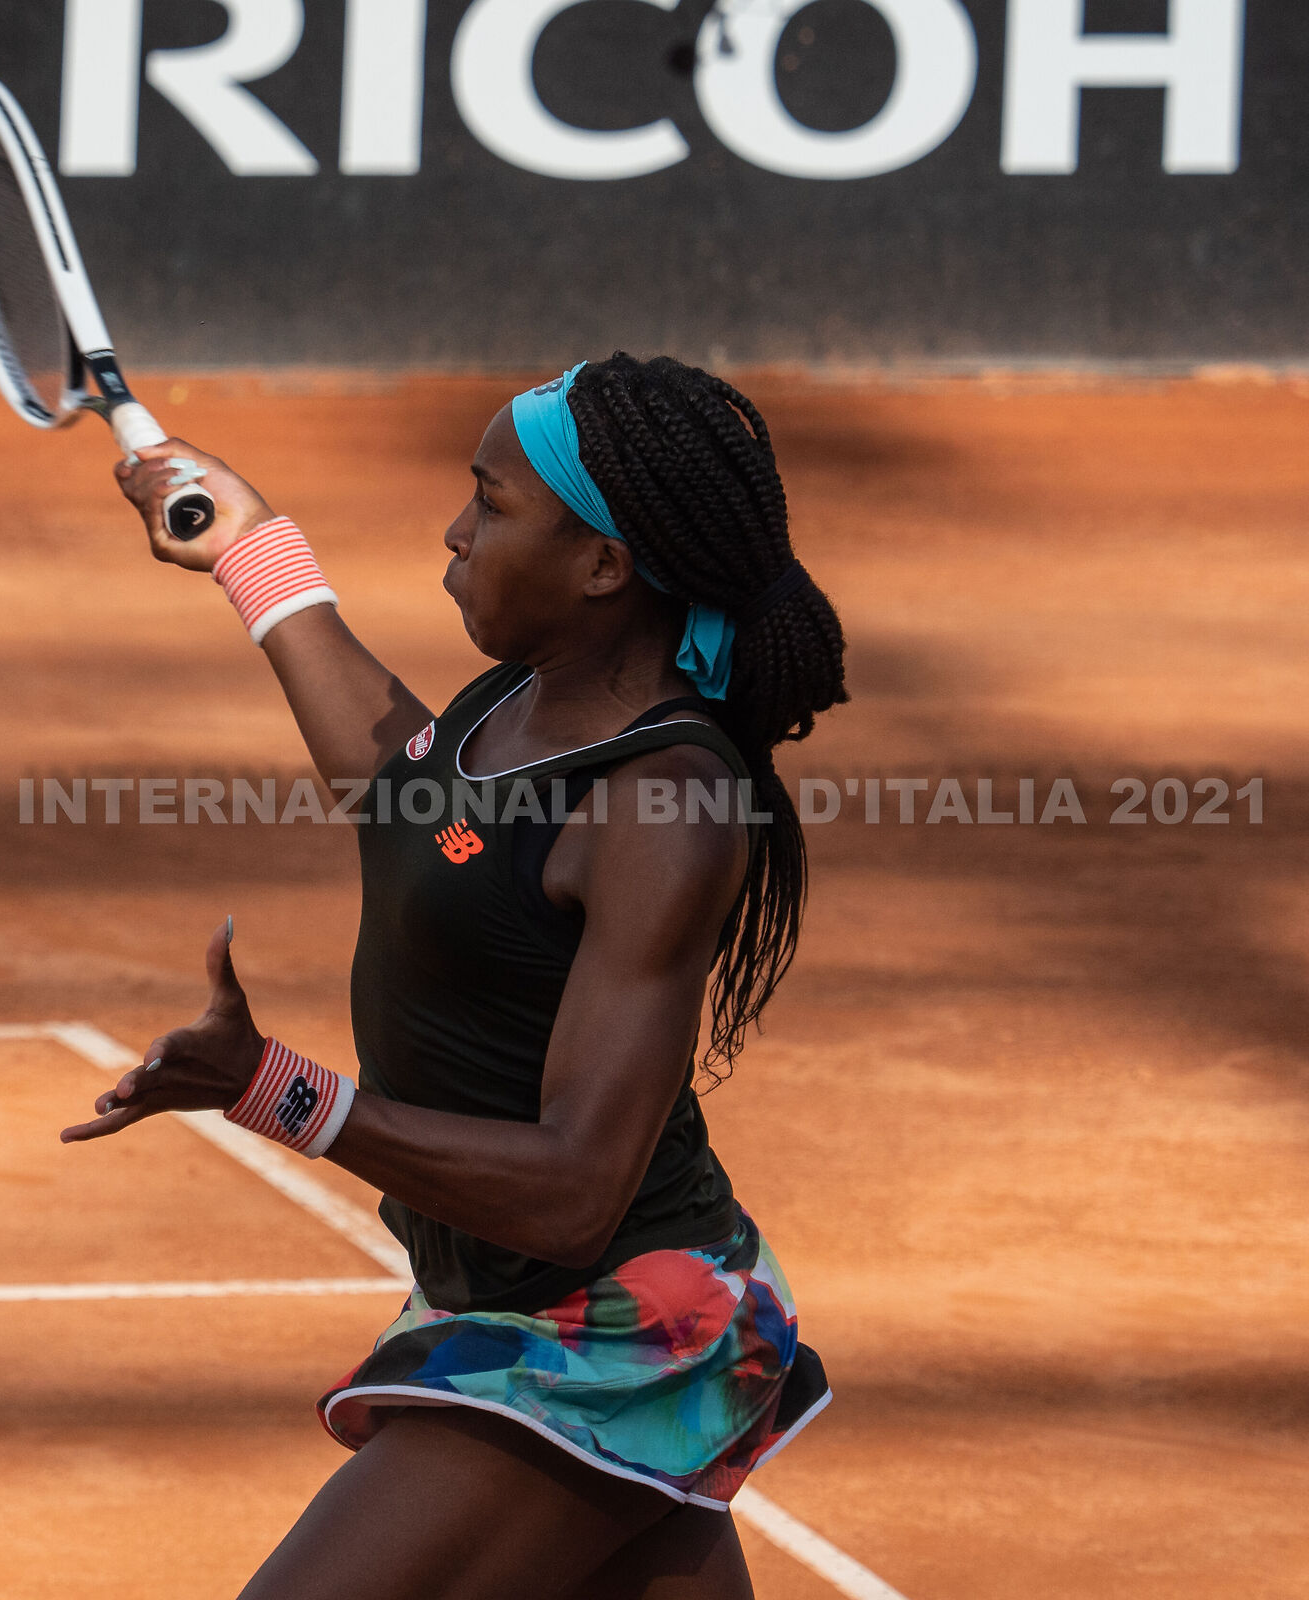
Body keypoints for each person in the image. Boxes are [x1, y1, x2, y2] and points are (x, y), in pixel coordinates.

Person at [61, 355, 846, 1599]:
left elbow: (574, 1192)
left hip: (615, 1327)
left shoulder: (664, 805)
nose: (456, 530)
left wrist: (275, 1089)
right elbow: (409, 803)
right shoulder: (519, 705)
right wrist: (253, 550)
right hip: (520, 1297)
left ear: (603, 565)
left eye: (492, 501)